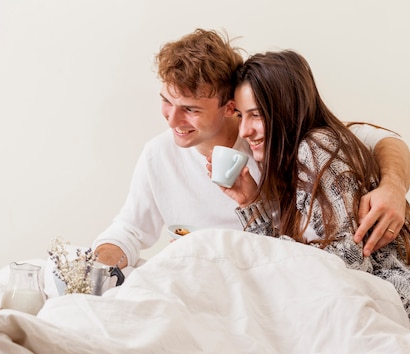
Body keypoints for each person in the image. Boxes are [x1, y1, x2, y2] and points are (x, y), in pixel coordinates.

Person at [93, 28, 410, 269]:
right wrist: (99, 267)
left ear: (228, 107)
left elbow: (379, 140)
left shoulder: (286, 141)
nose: (172, 119)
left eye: (190, 109)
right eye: (166, 101)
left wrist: (394, 186)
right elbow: (128, 230)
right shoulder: (158, 155)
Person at [219, 49, 410, 316]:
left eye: (257, 115)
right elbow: (295, 267)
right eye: (241, 115)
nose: (244, 130)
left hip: (388, 306)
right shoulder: (294, 161)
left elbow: (351, 263)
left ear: (286, 109)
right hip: (353, 305)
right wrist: (251, 203)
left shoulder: (317, 147)